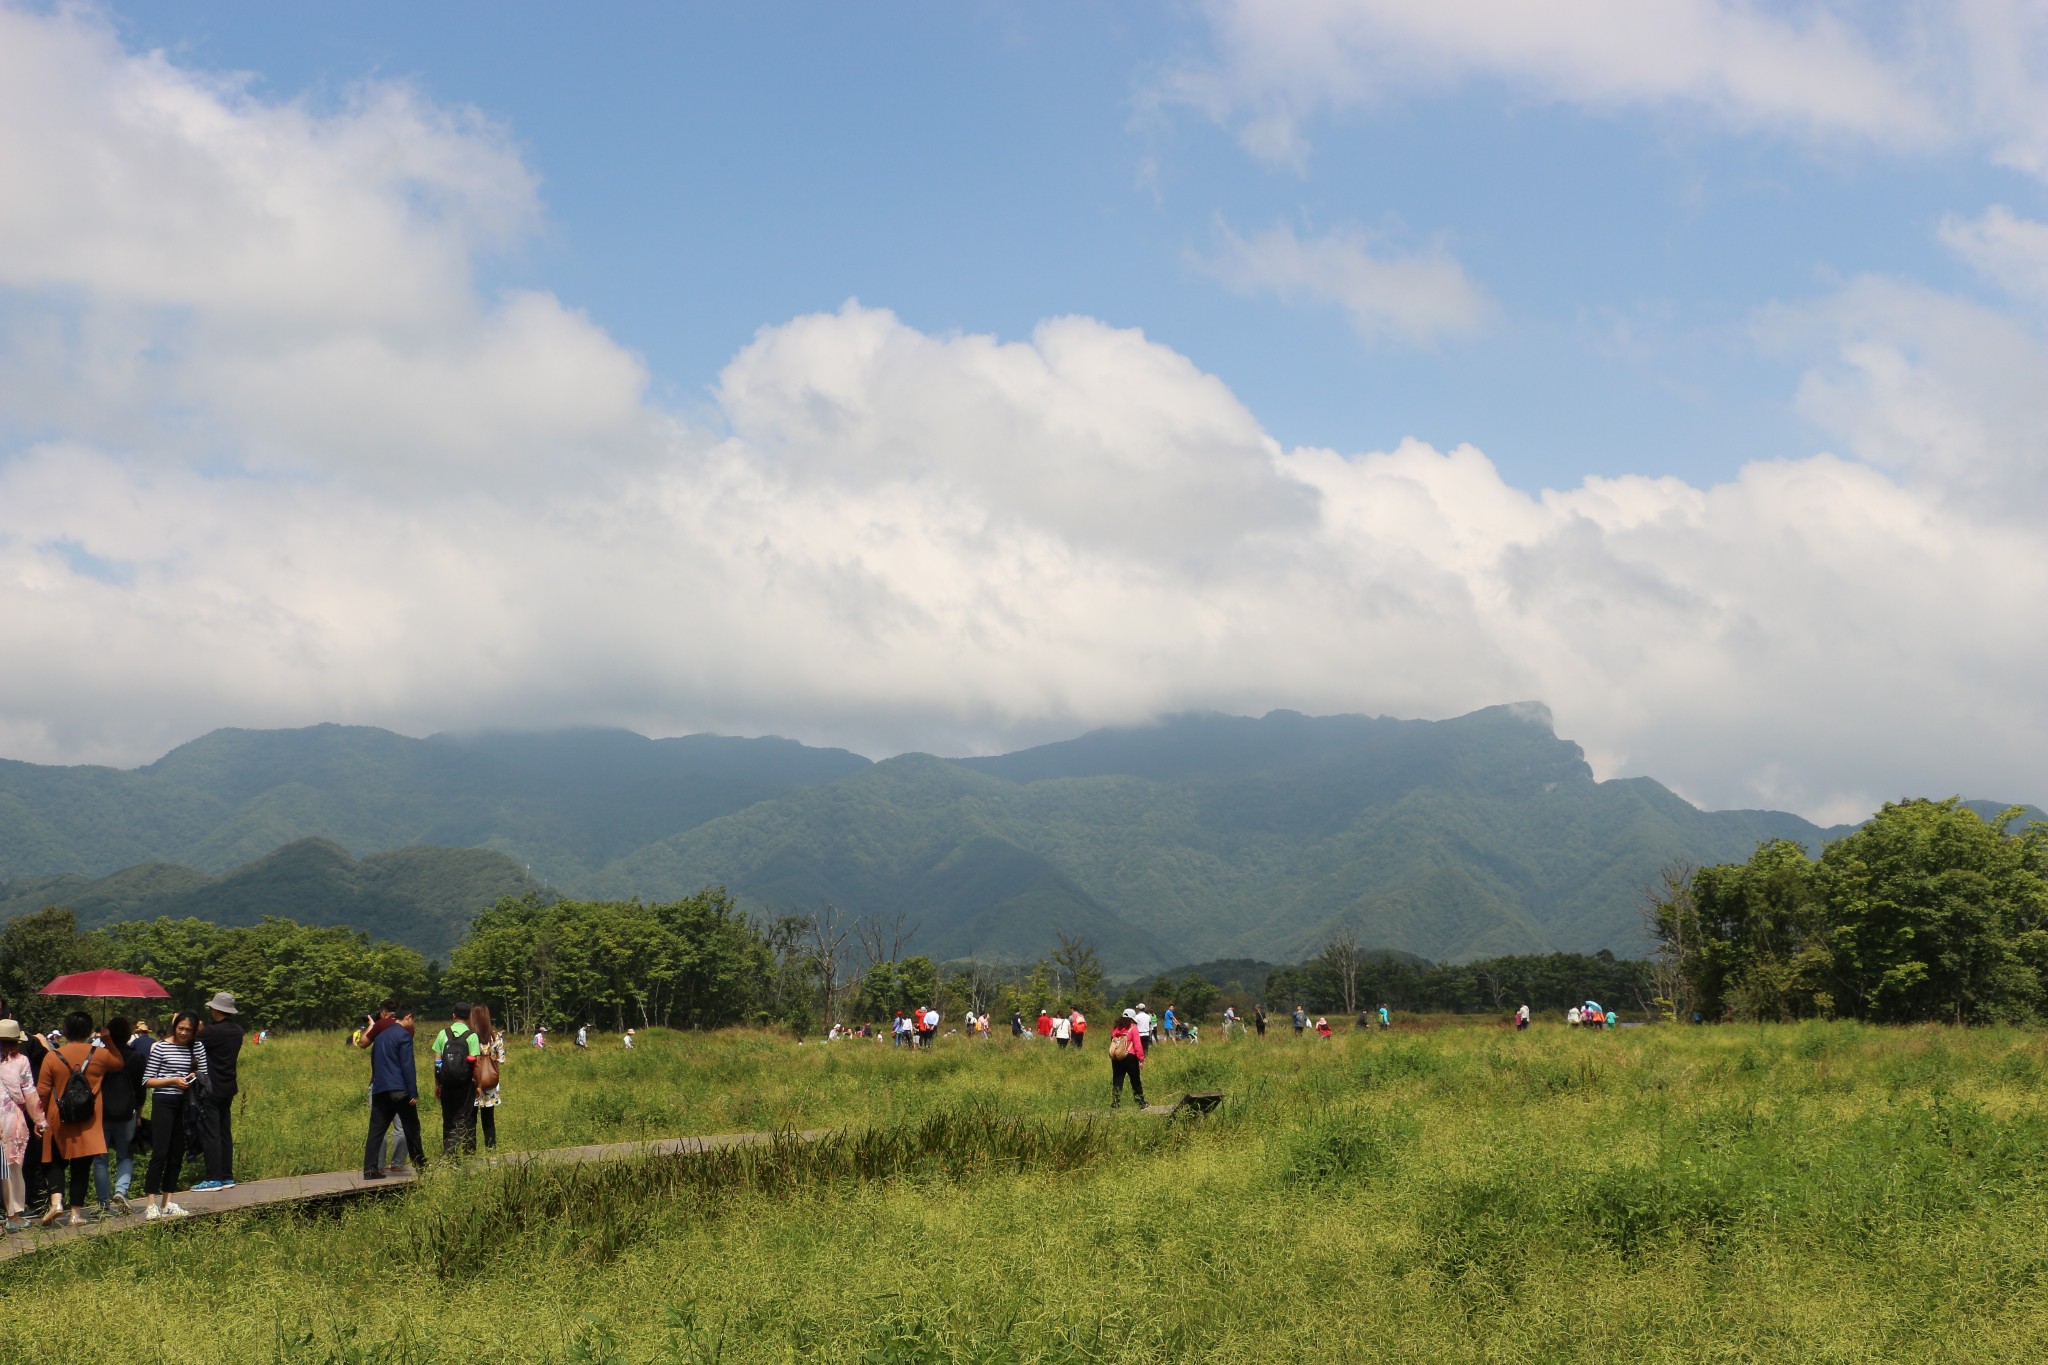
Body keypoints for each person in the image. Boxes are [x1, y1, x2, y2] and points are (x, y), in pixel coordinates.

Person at [34, 1009, 124, 1226]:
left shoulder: (52, 1056)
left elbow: (43, 1091)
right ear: (87, 1030)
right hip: (88, 1119)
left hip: (59, 1117)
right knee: (81, 1168)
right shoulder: (99, 1054)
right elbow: (119, 1063)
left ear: (65, 1031)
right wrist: (106, 1038)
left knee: (54, 1162)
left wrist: (40, 1119)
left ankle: (56, 1202)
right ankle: (76, 1215)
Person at [141, 1010, 208, 1220]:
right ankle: (151, 1203)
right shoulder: (161, 1047)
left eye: (189, 1029)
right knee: (160, 1151)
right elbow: (147, 1080)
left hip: (187, 1103)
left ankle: (167, 1201)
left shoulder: (197, 1047)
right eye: (181, 1028)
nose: (184, 1033)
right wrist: (172, 1080)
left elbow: (204, 1074)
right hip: (164, 1101)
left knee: (177, 1153)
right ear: (174, 1026)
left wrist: (193, 1076)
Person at [188, 991, 244, 1192]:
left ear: (216, 1010)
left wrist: (197, 1028)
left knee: (210, 1132)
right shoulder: (237, 1030)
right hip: (228, 1086)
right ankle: (227, 1175)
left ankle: (214, 1177)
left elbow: (189, 1040)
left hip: (211, 1087)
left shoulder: (211, 1032)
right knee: (223, 1131)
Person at [363, 1006, 425, 1179]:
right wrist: (412, 1092)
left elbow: (374, 1062)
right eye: (413, 1020)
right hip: (399, 1089)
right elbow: (407, 1065)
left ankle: (370, 1169)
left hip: (379, 1088)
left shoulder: (380, 1036)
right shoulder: (404, 1035)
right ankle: (421, 1165)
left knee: (376, 1130)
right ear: (409, 1016)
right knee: (411, 1127)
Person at [0, 1019, 49, 1233]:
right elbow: (30, 1093)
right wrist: (40, 1121)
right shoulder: (21, 1061)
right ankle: (14, 1215)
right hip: (11, 1120)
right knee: (12, 1168)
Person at [93, 1016, 140, 1217]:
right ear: (129, 1034)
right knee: (125, 1154)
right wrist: (139, 1113)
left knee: (100, 1159)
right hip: (127, 1111)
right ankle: (121, 1191)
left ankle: (103, 1205)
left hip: (102, 1112)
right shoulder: (136, 1057)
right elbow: (140, 1089)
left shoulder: (99, 1056)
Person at [431, 1003, 481, 1156]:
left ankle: (449, 1155)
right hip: (465, 1084)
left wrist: (438, 1083)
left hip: (446, 1083)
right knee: (462, 1118)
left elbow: (437, 1061)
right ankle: (450, 1152)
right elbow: (476, 1064)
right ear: (469, 1016)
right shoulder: (471, 1036)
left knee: (448, 1119)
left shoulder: (443, 1034)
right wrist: (478, 1085)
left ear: (453, 1015)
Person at [469, 1004, 504, 1153]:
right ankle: (491, 1151)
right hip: (490, 1084)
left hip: (472, 1083)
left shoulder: (469, 1037)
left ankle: (470, 1152)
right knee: (488, 1120)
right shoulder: (495, 1036)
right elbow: (501, 1059)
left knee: (470, 1120)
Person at [1108, 1009, 1147, 1109]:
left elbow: (1112, 1040)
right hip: (1130, 1057)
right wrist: (1141, 1059)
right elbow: (1138, 1045)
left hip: (1117, 1057)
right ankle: (1141, 1103)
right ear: (1132, 1018)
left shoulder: (1116, 1028)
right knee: (1135, 1081)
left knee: (1117, 1080)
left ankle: (1115, 1103)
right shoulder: (1133, 1028)